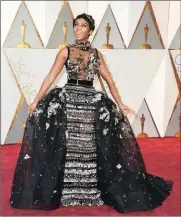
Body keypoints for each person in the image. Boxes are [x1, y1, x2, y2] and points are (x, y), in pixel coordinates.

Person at [9, 13, 173, 213]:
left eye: (83, 26)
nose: (78, 29)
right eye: (76, 25)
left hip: (90, 103)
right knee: (69, 146)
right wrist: (35, 100)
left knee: (88, 147)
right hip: (69, 101)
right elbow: (50, 77)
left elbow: (109, 81)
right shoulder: (65, 52)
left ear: (90, 30)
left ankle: (89, 191)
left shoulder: (96, 54)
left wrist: (120, 103)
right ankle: (68, 192)